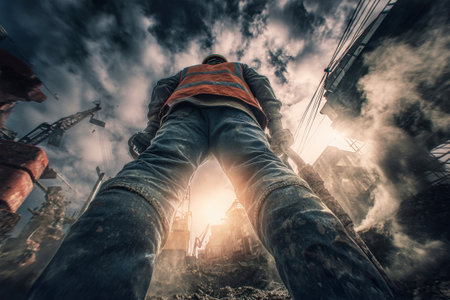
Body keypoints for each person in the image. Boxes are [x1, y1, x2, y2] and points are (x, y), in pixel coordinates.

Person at [27, 54, 394, 299]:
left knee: (150, 177)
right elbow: (264, 88)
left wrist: (153, 127)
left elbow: (160, 89)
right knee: (268, 178)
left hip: (182, 114)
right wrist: (278, 127)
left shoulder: (187, 74)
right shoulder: (238, 69)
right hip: (238, 115)